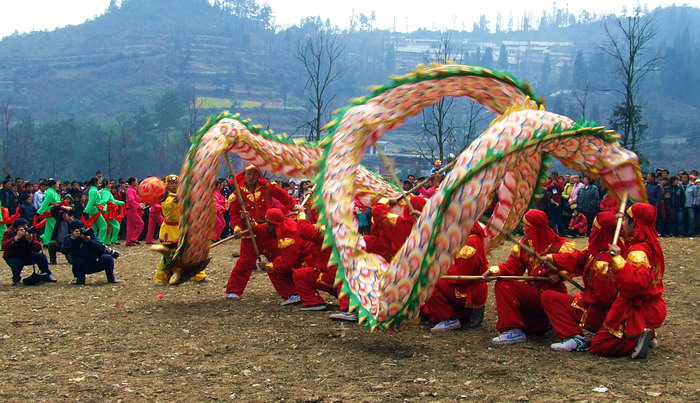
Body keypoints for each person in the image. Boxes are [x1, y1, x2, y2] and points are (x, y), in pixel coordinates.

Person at [482, 209, 577, 344]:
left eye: (527, 225)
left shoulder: (562, 246)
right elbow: (512, 267)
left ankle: (519, 329)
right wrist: (494, 271)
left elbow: (577, 265)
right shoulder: (525, 244)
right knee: (503, 283)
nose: (524, 229)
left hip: (553, 295)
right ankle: (514, 329)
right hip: (533, 291)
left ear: (537, 227)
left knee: (505, 286)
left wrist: (561, 275)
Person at [590, 203, 666, 359]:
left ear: (635, 223)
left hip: (633, 307)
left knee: (599, 345)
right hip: (653, 304)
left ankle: (636, 340)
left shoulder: (638, 251)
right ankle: (645, 335)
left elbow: (635, 284)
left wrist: (617, 259)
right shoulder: (652, 245)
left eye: (625, 219)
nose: (622, 223)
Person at [540, 212, 621, 352]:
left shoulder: (604, 262)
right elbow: (579, 258)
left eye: (595, 226)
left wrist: (584, 297)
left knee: (549, 297)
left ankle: (573, 337)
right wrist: (553, 258)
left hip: (600, 313)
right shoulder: (605, 250)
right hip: (600, 308)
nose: (591, 229)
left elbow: (603, 299)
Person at [225, 164, 298, 299]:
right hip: (250, 233)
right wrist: (237, 229)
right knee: (244, 263)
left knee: (278, 261)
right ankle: (233, 290)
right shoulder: (237, 195)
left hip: (269, 230)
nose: (252, 178)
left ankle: (293, 291)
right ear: (244, 176)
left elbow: (283, 196)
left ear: (259, 176)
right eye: (249, 174)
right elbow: (234, 215)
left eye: (255, 174)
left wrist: (294, 205)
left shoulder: (267, 187)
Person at [421, 224, 489, 332]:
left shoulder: (470, 244)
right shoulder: (465, 238)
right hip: (465, 285)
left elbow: (461, 276)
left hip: (468, 290)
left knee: (427, 283)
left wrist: (439, 271)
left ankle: (449, 318)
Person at [152, 174, 207, 284]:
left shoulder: (182, 196)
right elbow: (169, 206)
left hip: (182, 228)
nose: (173, 186)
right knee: (168, 254)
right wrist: (177, 200)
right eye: (171, 183)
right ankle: (160, 277)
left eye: (176, 183)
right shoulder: (165, 197)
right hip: (169, 230)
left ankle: (198, 275)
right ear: (167, 185)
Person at [61, 220, 120, 285]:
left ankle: (111, 278)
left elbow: (101, 248)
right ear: (72, 231)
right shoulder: (68, 238)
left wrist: (89, 241)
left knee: (107, 258)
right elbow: (64, 251)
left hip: (95, 261)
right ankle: (80, 280)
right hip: (82, 264)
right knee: (79, 262)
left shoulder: (90, 235)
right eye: (77, 230)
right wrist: (72, 238)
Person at [2, 218, 56, 285]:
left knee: (41, 255)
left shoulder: (29, 232)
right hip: (13, 256)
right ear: (15, 229)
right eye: (21, 229)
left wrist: (30, 240)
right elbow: (4, 246)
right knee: (17, 262)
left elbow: (38, 248)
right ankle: (16, 279)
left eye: (25, 227)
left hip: (28, 255)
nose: (24, 230)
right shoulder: (9, 232)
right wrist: (16, 238)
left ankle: (46, 274)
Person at [35, 179, 62, 246]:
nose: (58, 185)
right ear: (53, 185)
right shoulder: (50, 192)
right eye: (57, 184)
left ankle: (46, 241)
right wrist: (39, 212)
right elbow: (45, 203)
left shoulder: (53, 191)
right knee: (55, 226)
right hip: (51, 211)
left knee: (49, 227)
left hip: (54, 210)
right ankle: (56, 240)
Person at [83, 178, 109, 244]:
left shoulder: (92, 189)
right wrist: (85, 211)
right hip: (94, 210)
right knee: (103, 226)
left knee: (94, 227)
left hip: (93, 209)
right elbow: (91, 202)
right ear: (95, 183)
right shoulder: (94, 191)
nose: (99, 183)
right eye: (98, 182)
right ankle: (100, 242)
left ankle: (93, 241)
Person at [101, 180, 125, 245]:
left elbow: (113, 201)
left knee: (109, 226)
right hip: (108, 212)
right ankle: (114, 240)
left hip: (108, 211)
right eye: (109, 184)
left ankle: (107, 241)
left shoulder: (106, 192)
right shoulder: (106, 192)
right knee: (116, 225)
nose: (111, 185)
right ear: (106, 185)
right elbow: (104, 201)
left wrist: (121, 203)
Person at [124, 177, 144, 246]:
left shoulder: (132, 190)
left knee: (130, 227)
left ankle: (129, 241)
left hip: (131, 209)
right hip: (132, 209)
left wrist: (143, 199)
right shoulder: (130, 190)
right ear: (132, 182)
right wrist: (138, 206)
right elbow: (131, 200)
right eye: (136, 181)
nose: (137, 183)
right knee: (140, 224)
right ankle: (133, 238)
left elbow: (136, 198)